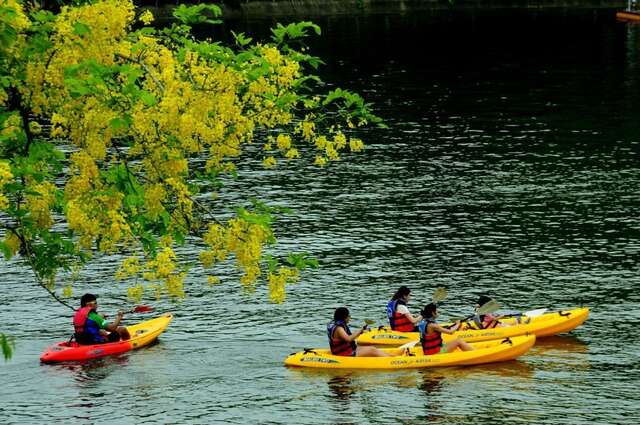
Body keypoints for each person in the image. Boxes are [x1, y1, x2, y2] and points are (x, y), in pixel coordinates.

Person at [328, 307, 403, 357]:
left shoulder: (336, 325)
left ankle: (392, 356)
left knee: (372, 348)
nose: (349, 318)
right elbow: (348, 339)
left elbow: (347, 338)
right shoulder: (339, 328)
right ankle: (393, 360)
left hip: (347, 350)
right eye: (348, 316)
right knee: (372, 350)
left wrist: (361, 332)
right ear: (344, 317)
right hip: (344, 354)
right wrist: (360, 330)